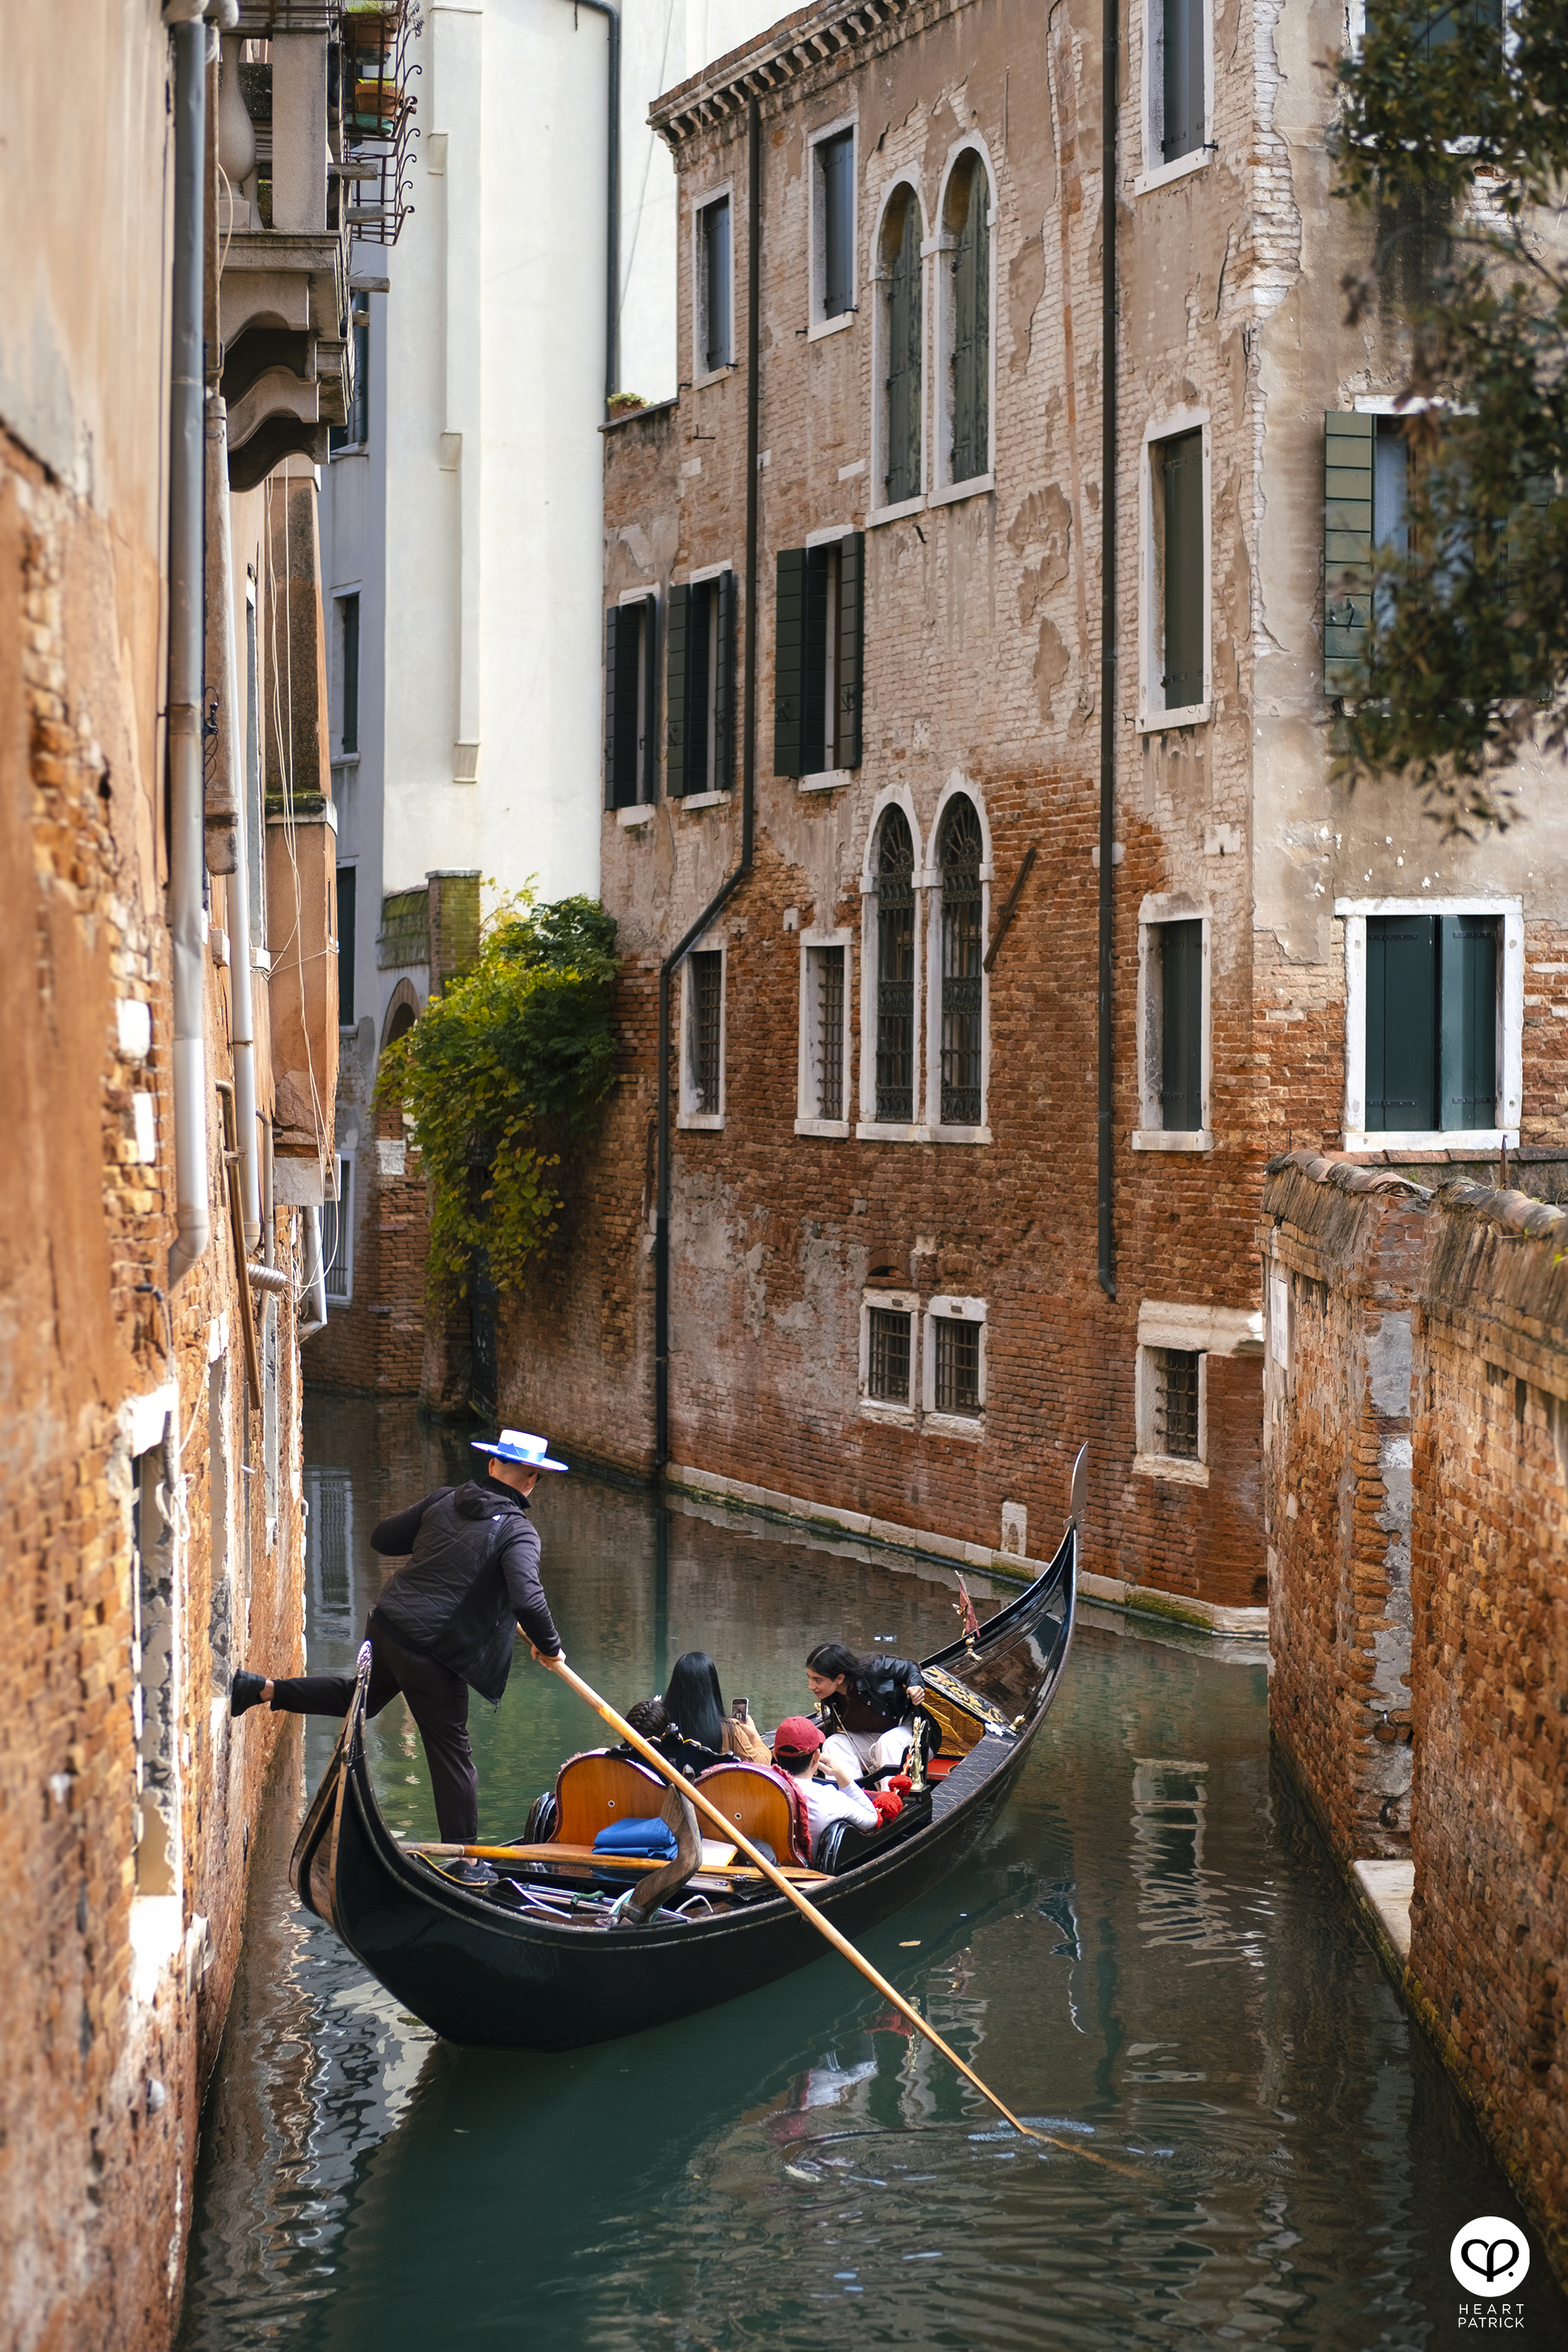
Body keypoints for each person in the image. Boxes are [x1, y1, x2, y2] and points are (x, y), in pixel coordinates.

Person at [230, 1428, 567, 1883]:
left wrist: (440, 1540)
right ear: (531, 1480)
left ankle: (259, 1689)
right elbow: (528, 1598)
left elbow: (384, 1539)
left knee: (357, 1699)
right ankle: (467, 1861)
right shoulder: (519, 1533)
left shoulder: (445, 1500)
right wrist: (552, 1648)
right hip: (433, 1652)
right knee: (452, 1753)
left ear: (491, 1466)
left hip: (387, 1625)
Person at [804, 1641, 927, 1785]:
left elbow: (910, 1667)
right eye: (809, 1678)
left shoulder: (875, 1669)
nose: (810, 1686)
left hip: (911, 1735)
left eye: (817, 1680)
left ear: (840, 1678)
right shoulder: (830, 1694)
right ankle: (852, 1800)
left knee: (888, 1742)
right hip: (873, 1740)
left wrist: (915, 1685)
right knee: (833, 1743)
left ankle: (893, 1802)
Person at [771, 1716, 880, 1848]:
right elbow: (872, 1818)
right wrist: (840, 1775)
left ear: (774, 1755)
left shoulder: (761, 1788)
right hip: (811, 1867)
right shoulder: (829, 1798)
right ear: (817, 1756)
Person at [659, 1650, 771, 1775]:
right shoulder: (730, 1730)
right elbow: (763, 1766)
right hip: (712, 1793)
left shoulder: (659, 1723)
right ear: (712, 1687)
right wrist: (755, 1736)